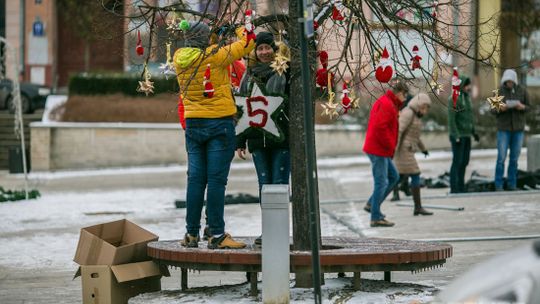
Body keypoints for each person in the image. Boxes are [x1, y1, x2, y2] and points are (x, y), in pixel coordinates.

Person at [174, 21, 255, 249]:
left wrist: (213, 37)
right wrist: (238, 28)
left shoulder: (179, 58)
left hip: (193, 124)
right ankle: (217, 234)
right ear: (205, 39)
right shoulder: (216, 56)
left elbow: (202, 48)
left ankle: (191, 234)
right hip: (219, 124)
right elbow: (248, 43)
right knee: (217, 182)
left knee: (196, 180)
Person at [235, 32, 290, 245]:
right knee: (264, 185)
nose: (264, 52)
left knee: (279, 184)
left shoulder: (284, 70)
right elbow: (240, 109)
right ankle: (268, 231)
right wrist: (239, 141)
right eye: (260, 49)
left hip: (281, 139)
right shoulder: (248, 76)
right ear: (255, 52)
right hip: (257, 140)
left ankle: (280, 231)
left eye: (268, 48)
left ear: (274, 50)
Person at [362, 81, 410, 227]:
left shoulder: (389, 103)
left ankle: (372, 204)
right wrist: (391, 146)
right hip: (379, 149)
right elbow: (380, 128)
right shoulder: (388, 105)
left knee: (394, 176)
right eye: (405, 95)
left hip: (380, 148)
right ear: (399, 92)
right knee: (381, 182)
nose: (406, 98)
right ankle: (375, 217)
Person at [394, 93, 433, 215]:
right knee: (415, 175)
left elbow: (416, 137)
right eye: (424, 107)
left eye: (427, 108)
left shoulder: (415, 115)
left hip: (408, 149)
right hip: (403, 150)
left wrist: (423, 149)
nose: (425, 111)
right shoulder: (408, 113)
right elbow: (399, 131)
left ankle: (373, 203)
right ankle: (418, 207)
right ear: (418, 105)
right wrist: (394, 150)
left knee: (397, 178)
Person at [493, 69, 530, 191]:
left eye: (511, 81)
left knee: (514, 158)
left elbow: (529, 107)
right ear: (504, 80)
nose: (509, 83)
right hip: (503, 128)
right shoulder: (498, 92)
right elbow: (492, 110)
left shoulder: (522, 90)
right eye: (507, 81)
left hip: (518, 129)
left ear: (514, 81)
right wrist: (500, 108)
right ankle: (498, 184)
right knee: (501, 158)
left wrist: (522, 107)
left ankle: (511, 184)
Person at [447, 75, 478, 193]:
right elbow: (451, 119)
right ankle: (454, 187)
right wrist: (456, 135)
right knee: (457, 162)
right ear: (461, 86)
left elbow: (470, 117)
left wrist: (473, 132)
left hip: (467, 135)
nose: (468, 87)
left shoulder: (467, 98)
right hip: (458, 136)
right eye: (466, 85)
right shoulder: (454, 99)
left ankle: (461, 186)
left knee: (464, 162)